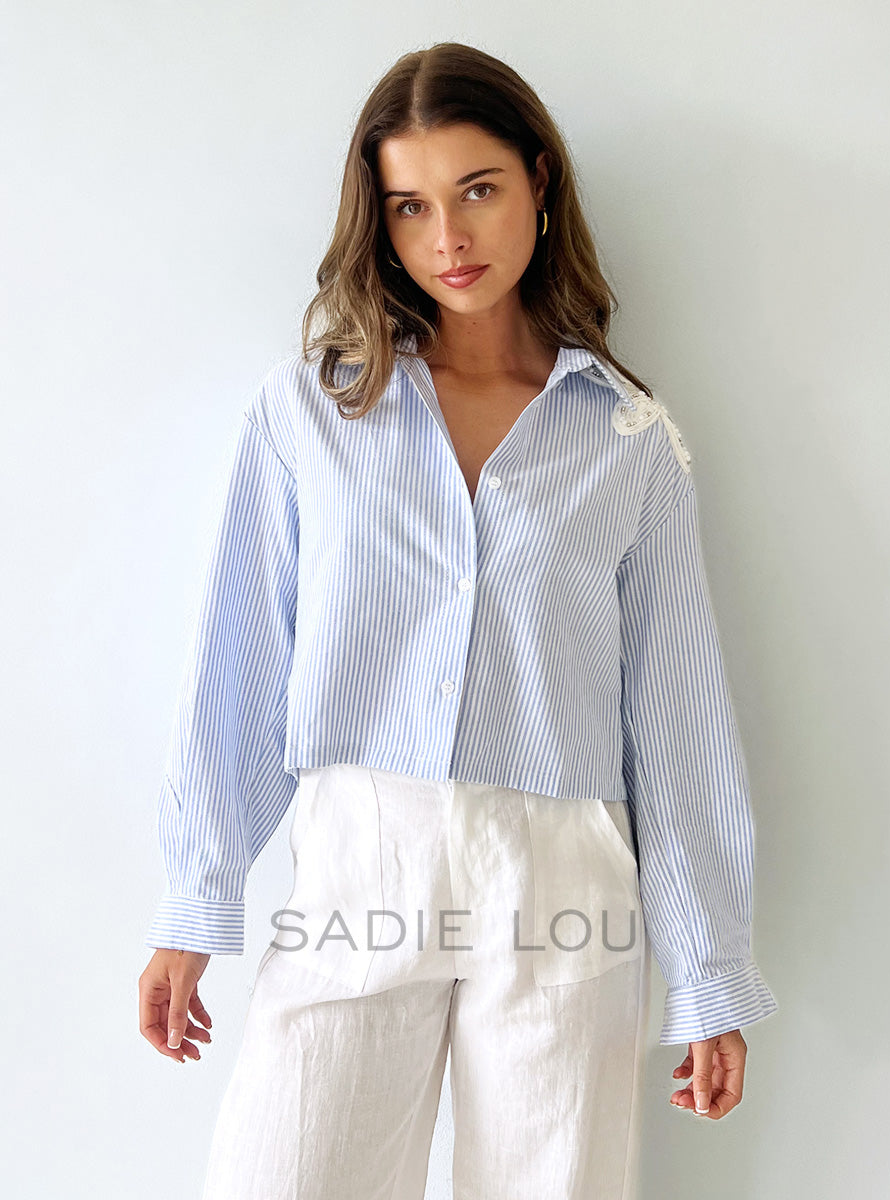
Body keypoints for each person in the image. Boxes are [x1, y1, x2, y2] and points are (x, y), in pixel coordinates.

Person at [138, 41, 778, 1200]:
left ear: (540, 180)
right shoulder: (310, 415)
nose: (449, 237)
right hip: (355, 864)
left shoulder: (627, 438)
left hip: (563, 878)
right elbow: (239, 667)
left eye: (477, 189)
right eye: (410, 206)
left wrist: (710, 975)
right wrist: (198, 901)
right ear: (379, 221)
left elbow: (676, 725)